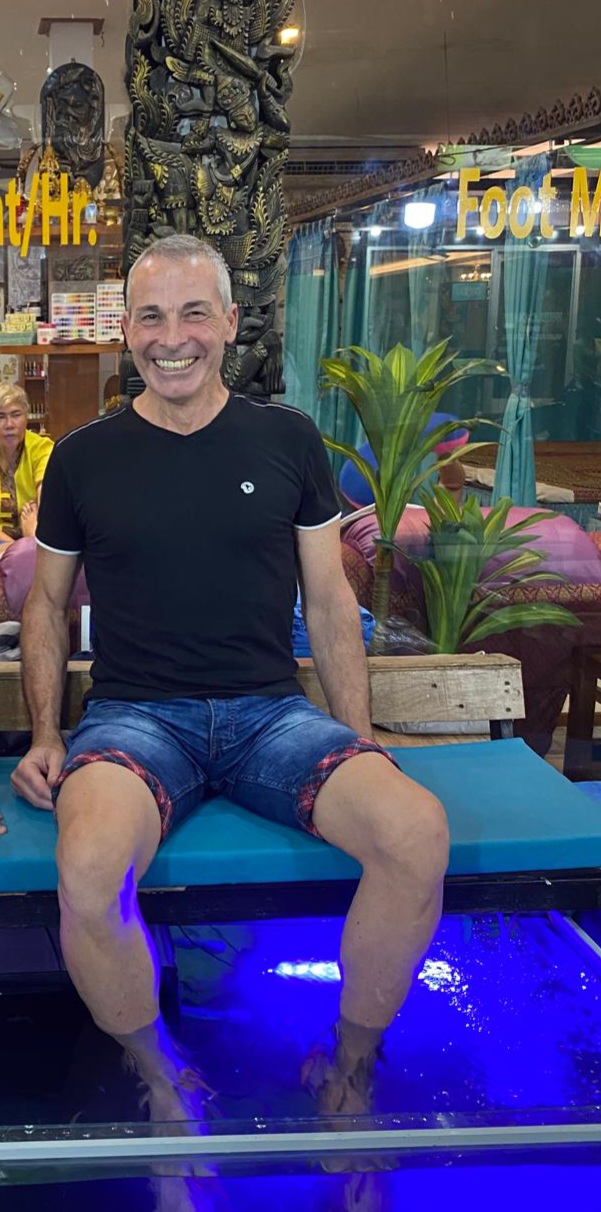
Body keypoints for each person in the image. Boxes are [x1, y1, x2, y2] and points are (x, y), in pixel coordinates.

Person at [11, 236, 449, 1144]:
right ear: (127, 330)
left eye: (193, 313)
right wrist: (47, 733)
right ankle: (161, 1078)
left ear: (230, 323)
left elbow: (328, 598)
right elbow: (47, 605)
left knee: (414, 833)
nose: (171, 338)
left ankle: (349, 1064)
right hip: (135, 718)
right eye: (151, 317)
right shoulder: (83, 459)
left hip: (269, 715)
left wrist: (357, 732)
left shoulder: (286, 439)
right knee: (88, 869)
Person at [0, 383, 53, 548]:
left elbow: (48, 501)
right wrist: (16, 547)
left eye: (16, 415)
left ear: (26, 417)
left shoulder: (41, 448)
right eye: (1, 417)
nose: (9, 424)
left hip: (36, 533)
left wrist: (32, 536)